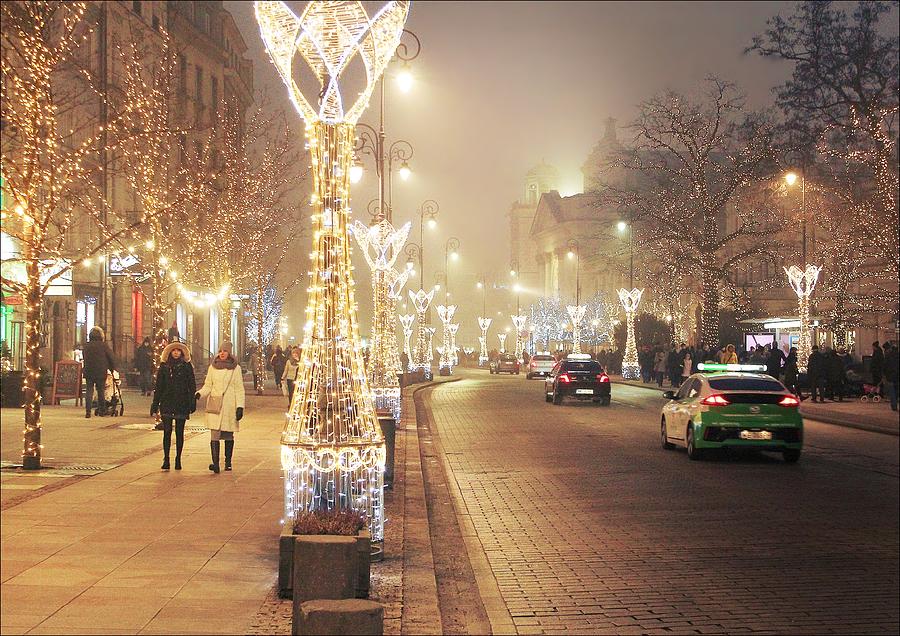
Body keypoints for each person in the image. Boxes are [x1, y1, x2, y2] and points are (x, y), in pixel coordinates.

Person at [196, 342, 245, 473]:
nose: (222, 353)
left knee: (228, 434)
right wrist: (199, 394)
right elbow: (208, 385)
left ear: (229, 353)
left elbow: (239, 389)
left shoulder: (236, 368)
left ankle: (228, 462)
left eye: (225, 351)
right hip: (215, 404)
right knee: (214, 434)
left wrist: (240, 406)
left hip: (229, 404)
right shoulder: (213, 367)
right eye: (220, 351)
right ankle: (215, 463)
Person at [150, 341, 196, 470]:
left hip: (182, 402)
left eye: (178, 350)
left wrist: (192, 401)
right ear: (170, 352)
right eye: (174, 350)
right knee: (167, 431)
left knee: (180, 432)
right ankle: (166, 458)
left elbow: (191, 385)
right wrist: (155, 403)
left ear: (182, 352)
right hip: (167, 402)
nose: (176, 353)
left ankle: (178, 458)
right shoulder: (164, 367)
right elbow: (159, 386)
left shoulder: (186, 367)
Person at [82, 326, 116, 418]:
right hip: (100, 371)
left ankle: (88, 412)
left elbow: (85, 357)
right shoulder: (103, 345)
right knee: (100, 390)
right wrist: (112, 367)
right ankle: (102, 410)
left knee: (89, 390)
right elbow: (110, 357)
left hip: (89, 370)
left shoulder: (86, 345)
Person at [883, 342, 898, 412]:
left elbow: (885, 366)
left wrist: (885, 375)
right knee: (896, 390)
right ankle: (895, 402)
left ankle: (894, 405)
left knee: (892, 391)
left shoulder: (888, 356)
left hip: (891, 376)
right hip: (897, 376)